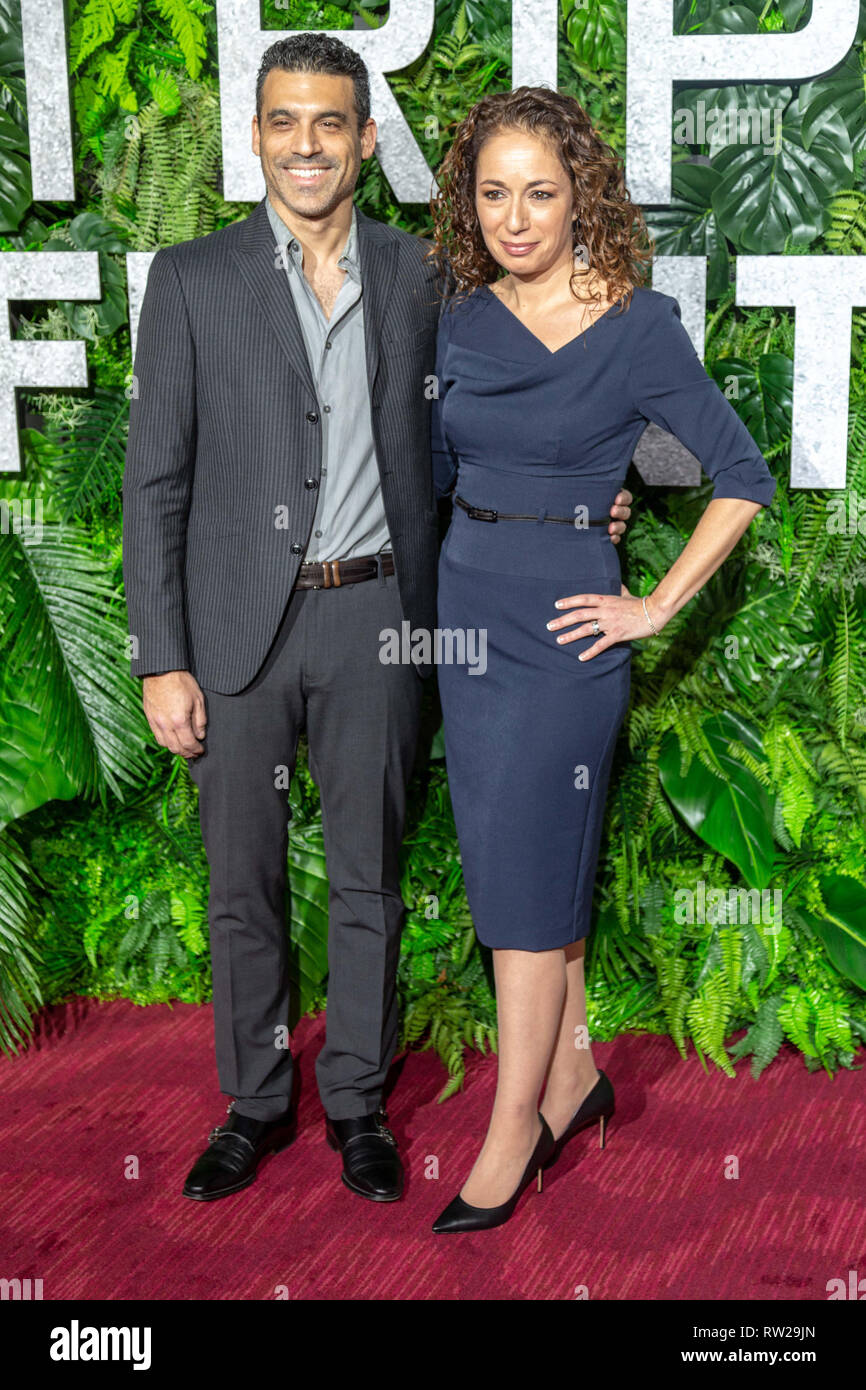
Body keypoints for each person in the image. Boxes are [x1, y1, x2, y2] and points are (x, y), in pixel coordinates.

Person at [122, 36, 636, 1207]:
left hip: (382, 624)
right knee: (242, 884)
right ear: (254, 135)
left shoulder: (419, 278)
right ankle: (255, 1102)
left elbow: (505, 417)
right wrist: (163, 657)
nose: (307, 143)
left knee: (369, 876)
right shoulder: (191, 281)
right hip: (237, 630)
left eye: (330, 122)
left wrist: (586, 490)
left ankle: (356, 1099)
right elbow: (152, 483)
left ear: (363, 139)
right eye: (284, 120)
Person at [426, 87, 777, 1234]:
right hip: (465, 613)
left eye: (538, 191)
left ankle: (512, 1124)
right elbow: (438, 461)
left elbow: (738, 477)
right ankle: (573, 1074)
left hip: (567, 631)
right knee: (511, 863)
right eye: (492, 193)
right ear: (466, 204)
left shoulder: (636, 324)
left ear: (582, 195)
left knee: (525, 897)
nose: (514, 217)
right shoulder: (463, 320)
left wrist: (650, 607)